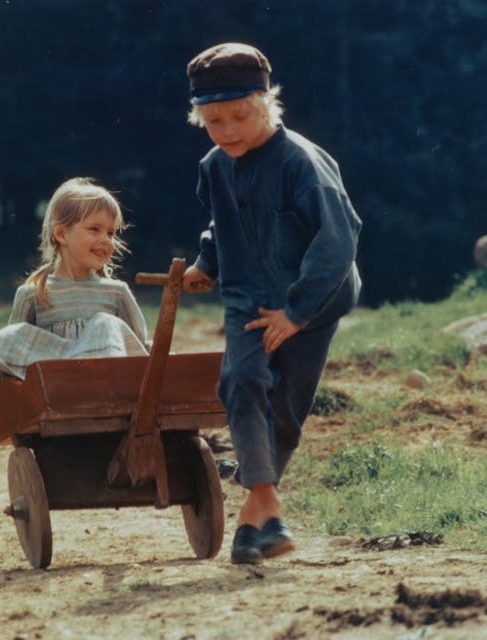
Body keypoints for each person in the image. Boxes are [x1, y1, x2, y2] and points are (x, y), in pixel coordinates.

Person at [182, 43, 362, 564]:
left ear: (266, 100)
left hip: (315, 300)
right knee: (240, 382)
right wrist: (206, 263)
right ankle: (269, 509)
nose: (228, 130)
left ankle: (250, 522)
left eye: (239, 116)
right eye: (214, 121)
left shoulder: (302, 163)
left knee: (286, 410)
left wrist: (297, 313)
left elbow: (339, 240)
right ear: (200, 118)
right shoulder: (215, 165)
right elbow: (223, 222)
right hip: (246, 297)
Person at [0, 177, 148, 385]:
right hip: (55, 386)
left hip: (104, 386)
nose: (106, 240)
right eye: (94, 229)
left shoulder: (117, 293)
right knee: (11, 334)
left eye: (110, 233)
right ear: (62, 234)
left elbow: (138, 347)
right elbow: (16, 349)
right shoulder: (33, 293)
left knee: (105, 324)